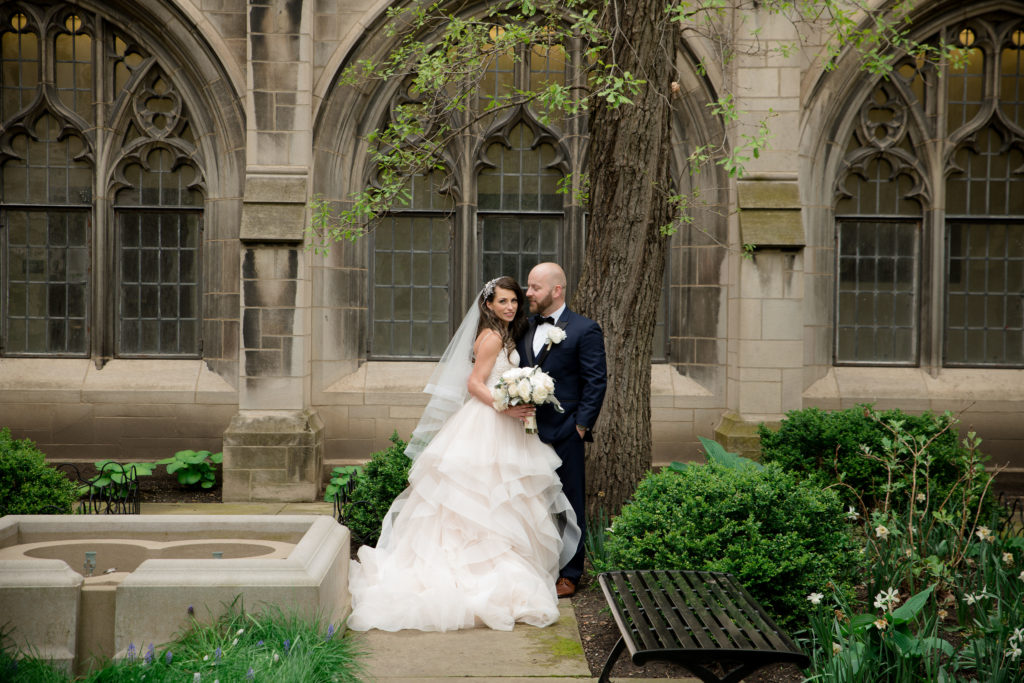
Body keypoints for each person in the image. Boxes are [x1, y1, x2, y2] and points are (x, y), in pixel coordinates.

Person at [346, 276, 581, 632]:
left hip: (505, 426)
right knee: (477, 499)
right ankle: (474, 574)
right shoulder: (490, 337)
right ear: (488, 305)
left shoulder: (506, 336)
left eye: (514, 301)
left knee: (503, 501)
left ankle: (501, 567)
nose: (510, 307)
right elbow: (474, 383)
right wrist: (504, 406)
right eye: (502, 301)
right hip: (486, 424)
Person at [516, 262, 607, 598]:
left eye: (535, 287)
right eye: (528, 286)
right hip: (525, 431)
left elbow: (596, 382)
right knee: (529, 499)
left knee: (569, 501)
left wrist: (580, 427)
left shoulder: (585, 329)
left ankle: (570, 573)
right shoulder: (524, 327)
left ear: (557, 290)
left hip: (566, 432)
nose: (528, 294)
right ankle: (535, 564)